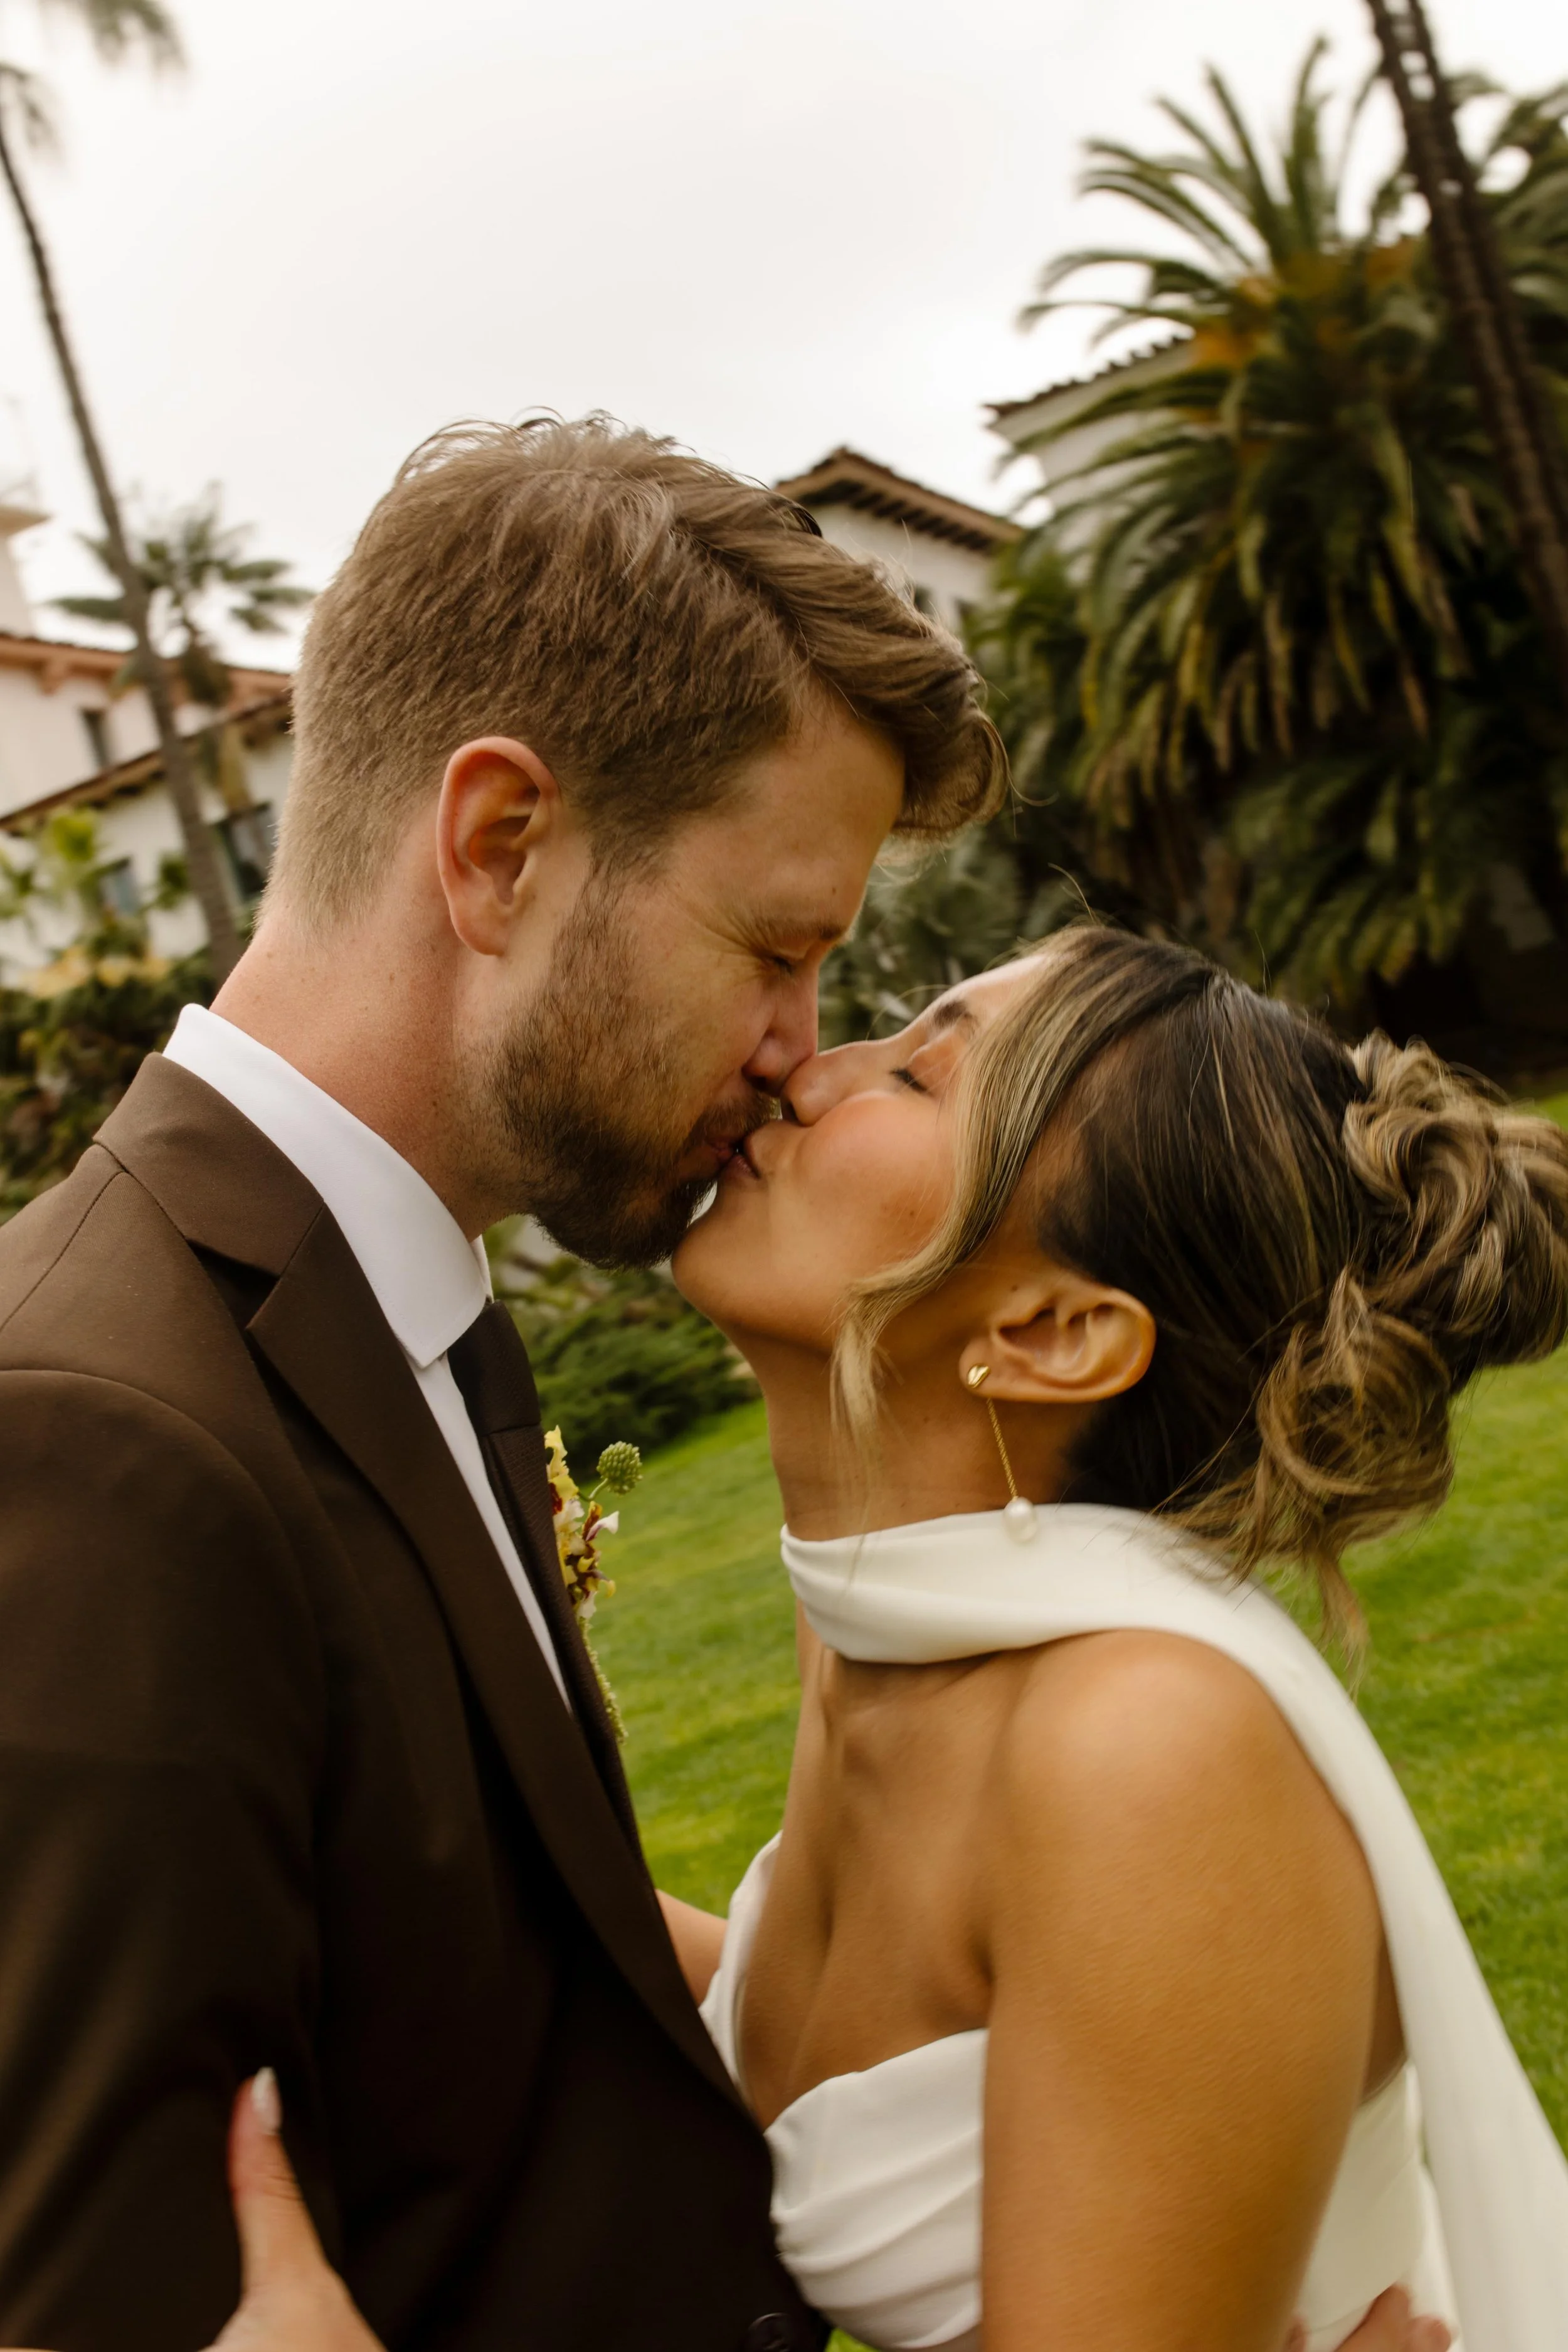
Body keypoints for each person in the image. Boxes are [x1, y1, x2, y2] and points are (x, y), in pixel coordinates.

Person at [0, 415, 1002, 2352]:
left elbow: (507, 2002)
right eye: (776, 949)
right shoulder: (90, 1434)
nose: (804, 1054)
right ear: (497, 846)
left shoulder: (395, 1297)